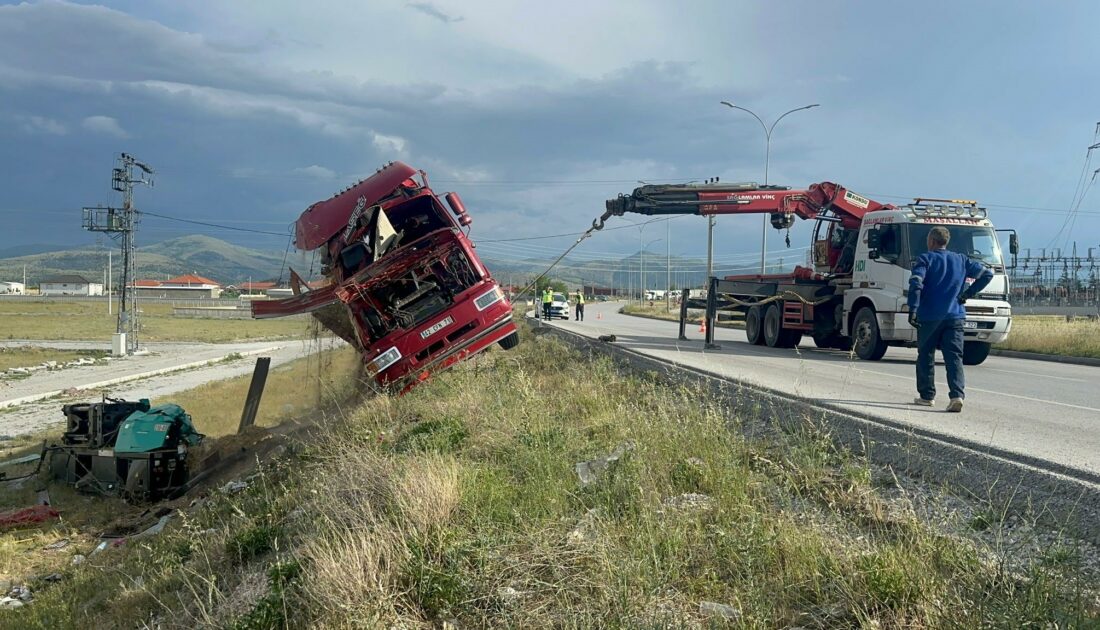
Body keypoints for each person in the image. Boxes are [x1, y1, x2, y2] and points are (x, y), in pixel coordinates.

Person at [907, 226, 993, 412]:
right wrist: (968, 293)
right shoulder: (961, 260)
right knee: (954, 357)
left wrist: (913, 308)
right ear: (946, 241)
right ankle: (956, 396)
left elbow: (916, 283)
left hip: (929, 317)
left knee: (926, 356)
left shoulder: (925, 259)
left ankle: (927, 396)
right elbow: (988, 274)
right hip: (955, 316)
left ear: (930, 241)